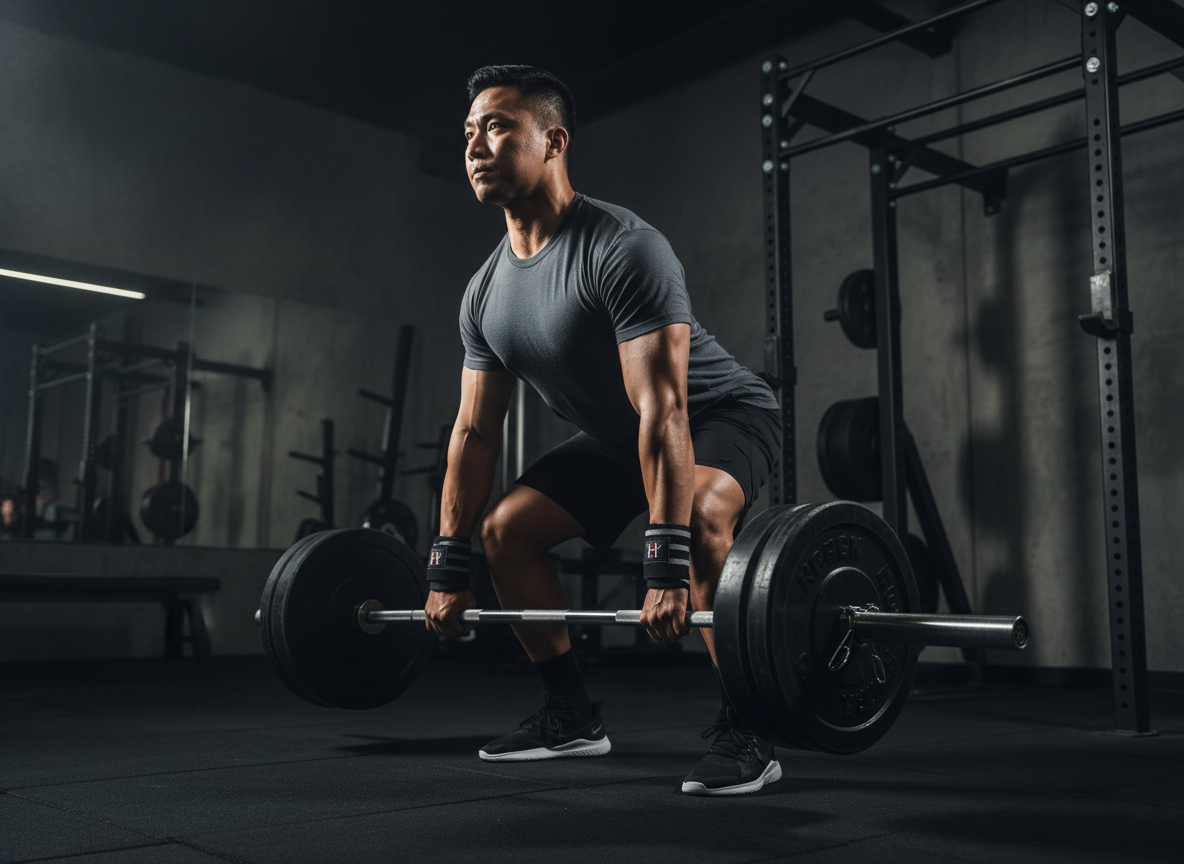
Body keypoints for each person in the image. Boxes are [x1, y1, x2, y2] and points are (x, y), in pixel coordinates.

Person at [424, 65, 783, 796]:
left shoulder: (623, 247)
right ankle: (570, 714)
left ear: (554, 141)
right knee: (505, 534)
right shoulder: (484, 294)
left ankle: (750, 728)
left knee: (705, 512)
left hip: (720, 414)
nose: (475, 146)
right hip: (624, 437)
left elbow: (666, 409)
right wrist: (447, 567)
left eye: (497, 126)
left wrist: (664, 564)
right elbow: (473, 434)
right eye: (468, 133)